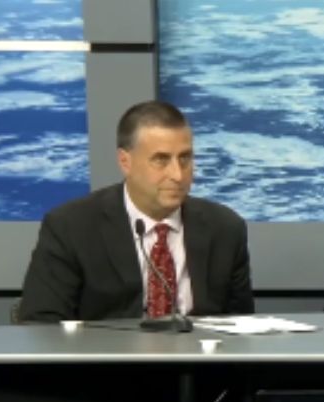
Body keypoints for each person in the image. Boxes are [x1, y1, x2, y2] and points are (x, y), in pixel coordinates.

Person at [18, 101, 254, 322]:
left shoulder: (225, 229)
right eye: (161, 160)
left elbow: (241, 328)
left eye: (185, 158)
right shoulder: (71, 227)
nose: (178, 174)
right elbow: (41, 323)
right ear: (125, 162)